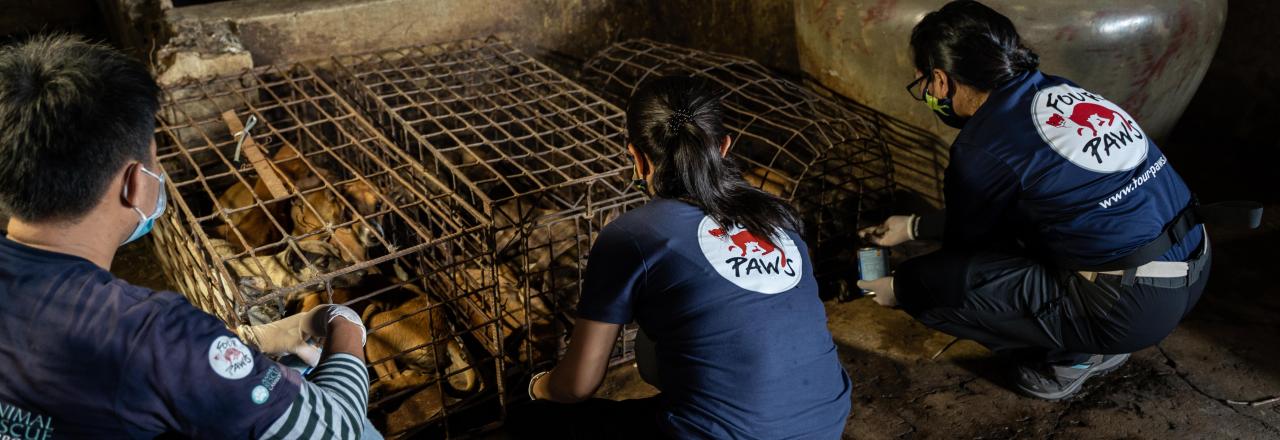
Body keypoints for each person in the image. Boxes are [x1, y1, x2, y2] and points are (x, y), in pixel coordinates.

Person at [856, 1, 1255, 400]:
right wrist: (911, 226)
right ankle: (1096, 337)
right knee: (1041, 225)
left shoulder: (981, 146)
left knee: (929, 284)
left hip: (1132, 309)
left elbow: (968, 251)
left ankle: (1074, 356)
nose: (926, 93)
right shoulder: (1058, 89)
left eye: (922, 83)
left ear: (941, 81)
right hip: (1195, 263)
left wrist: (901, 289)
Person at [0, 34, 377, 439]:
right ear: (135, 183)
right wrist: (346, 325)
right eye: (155, 160)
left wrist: (250, 340)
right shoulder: (159, 335)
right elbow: (340, 429)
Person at [509, 76, 852, 438]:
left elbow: (577, 386)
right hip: (825, 425)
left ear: (637, 157)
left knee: (532, 422)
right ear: (723, 147)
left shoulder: (630, 234)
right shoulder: (777, 216)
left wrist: (537, 387)